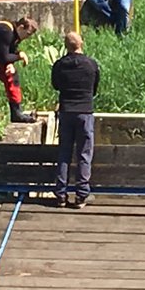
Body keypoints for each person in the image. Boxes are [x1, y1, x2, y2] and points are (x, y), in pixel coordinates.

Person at [51, 31, 100, 208]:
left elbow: (56, 85)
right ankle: (81, 195)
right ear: (82, 43)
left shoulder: (59, 65)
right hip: (85, 111)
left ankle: (60, 195)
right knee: (84, 154)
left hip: (66, 111)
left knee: (64, 153)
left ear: (66, 46)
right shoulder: (91, 64)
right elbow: (94, 89)